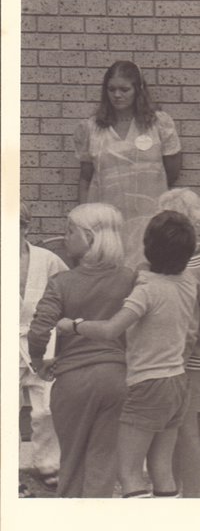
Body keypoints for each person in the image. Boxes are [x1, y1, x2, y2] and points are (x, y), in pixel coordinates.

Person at [54, 211, 198, 498]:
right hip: (177, 381)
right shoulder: (189, 281)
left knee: (129, 472)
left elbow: (110, 330)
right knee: (161, 468)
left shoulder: (145, 291)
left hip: (146, 384)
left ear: (148, 246)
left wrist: (75, 325)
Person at [27, 203, 135, 497]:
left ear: (89, 237)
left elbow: (39, 330)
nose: (64, 237)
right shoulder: (130, 278)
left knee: (71, 462)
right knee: (103, 461)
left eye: (69, 230)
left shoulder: (62, 282)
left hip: (72, 381)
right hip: (116, 378)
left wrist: (39, 362)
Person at [74, 60, 182, 267]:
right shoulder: (91, 128)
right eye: (111, 89)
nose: (117, 95)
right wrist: (83, 219)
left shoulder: (159, 123)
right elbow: (86, 178)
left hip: (148, 217)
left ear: (138, 90)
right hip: (106, 221)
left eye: (124, 89)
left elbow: (172, 170)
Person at [157, 189, 200, 498]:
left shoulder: (186, 269)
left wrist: (174, 361)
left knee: (183, 429)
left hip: (187, 358)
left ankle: (190, 495)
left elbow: (189, 323)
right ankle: (182, 490)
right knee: (182, 427)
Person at [18, 202, 68, 492]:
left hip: (42, 342)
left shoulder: (47, 260)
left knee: (46, 409)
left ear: (26, 227)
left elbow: (67, 292)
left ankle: (48, 464)